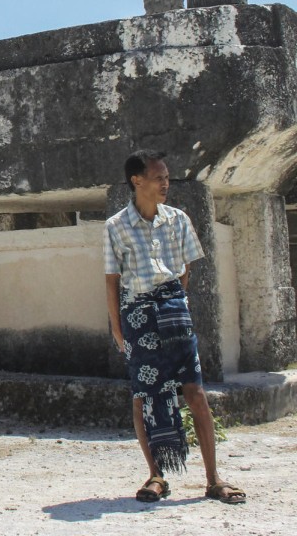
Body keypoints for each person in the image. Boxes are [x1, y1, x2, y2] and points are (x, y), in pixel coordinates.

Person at [103, 149, 246, 504]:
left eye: (167, 177)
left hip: (174, 312)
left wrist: (175, 304)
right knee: (143, 396)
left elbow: (185, 270)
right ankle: (156, 476)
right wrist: (117, 328)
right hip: (137, 316)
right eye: (158, 178)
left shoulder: (179, 219)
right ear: (137, 180)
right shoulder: (116, 226)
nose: (166, 183)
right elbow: (112, 280)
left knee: (195, 391)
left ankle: (213, 479)